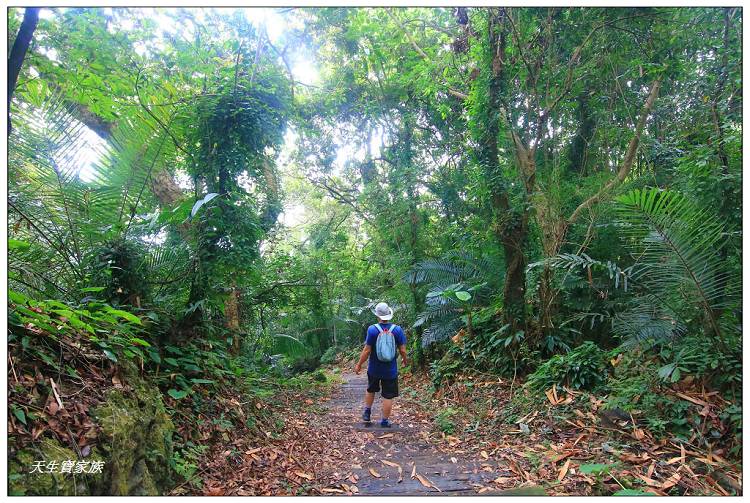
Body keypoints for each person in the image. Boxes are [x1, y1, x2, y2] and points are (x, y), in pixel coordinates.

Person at [354, 302, 407, 428]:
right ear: (389, 314)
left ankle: (367, 412)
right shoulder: (397, 330)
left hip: (374, 369)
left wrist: (359, 364)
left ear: (377, 316)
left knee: (371, 389)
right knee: (388, 396)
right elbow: (403, 350)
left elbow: (367, 350)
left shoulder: (372, 329)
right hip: (390, 370)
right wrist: (405, 360)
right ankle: (384, 421)